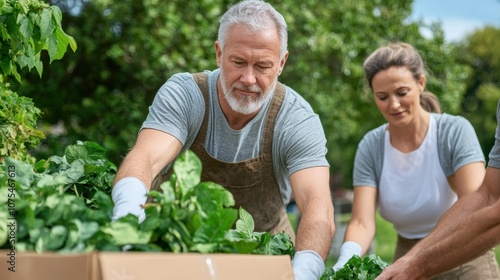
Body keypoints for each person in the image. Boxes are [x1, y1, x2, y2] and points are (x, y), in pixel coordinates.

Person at [110, 0, 335, 279]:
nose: (249, 79)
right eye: (238, 62)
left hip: (263, 258)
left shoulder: (296, 118)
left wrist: (306, 269)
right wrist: (128, 216)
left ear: (281, 63)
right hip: (177, 252)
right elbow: (147, 156)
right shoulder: (186, 94)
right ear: (219, 54)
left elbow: (317, 204)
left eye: (263, 66)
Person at [332, 42, 500, 279]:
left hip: (465, 254)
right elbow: (361, 222)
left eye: (402, 93)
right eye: (382, 97)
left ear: (420, 83)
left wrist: (425, 256)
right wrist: (345, 262)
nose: (394, 104)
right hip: (407, 254)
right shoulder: (371, 147)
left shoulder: (453, 132)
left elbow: (476, 204)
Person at [376, 99, 500, 280]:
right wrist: (411, 258)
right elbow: (488, 195)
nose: (394, 104)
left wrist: (418, 265)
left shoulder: (453, 130)